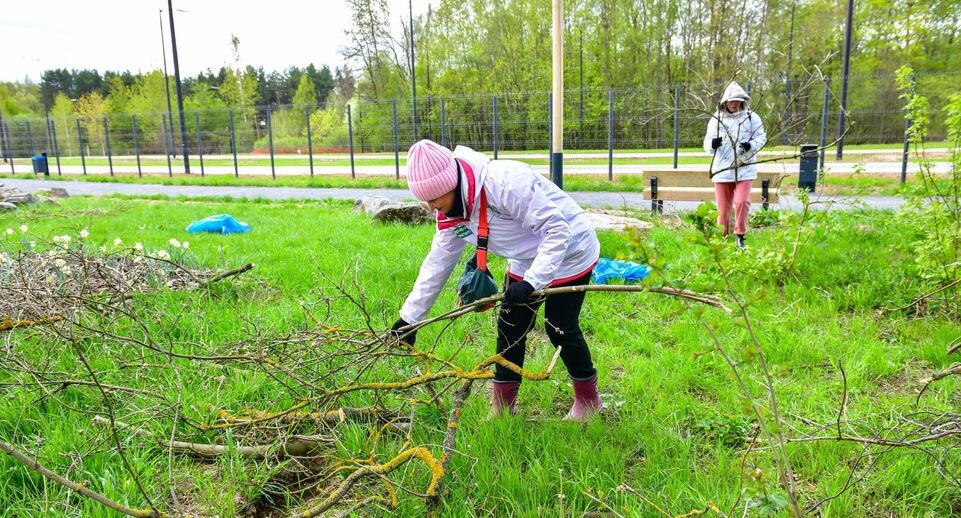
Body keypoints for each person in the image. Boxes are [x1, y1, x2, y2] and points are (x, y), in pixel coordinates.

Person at [389, 139, 603, 422]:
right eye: (425, 201)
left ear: (452, 184)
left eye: (434, 199)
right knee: (510, 327)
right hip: (526, 257)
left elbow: (557, 230)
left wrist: (533, 282)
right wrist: (410, 319)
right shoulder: (451, 212)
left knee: (559, 326)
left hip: (569, 249)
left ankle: (588, 401)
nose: (430, 208)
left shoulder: (506, 183)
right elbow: (437, 264)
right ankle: (503, 408)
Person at [703, 81, 767, 249]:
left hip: (744, 167)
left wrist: (750, 146)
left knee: (742, 202)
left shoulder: (752, 118)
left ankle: (740, 236)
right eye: (730, 100)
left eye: (737, 100)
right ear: (725, 101)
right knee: (723, 208)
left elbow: (761, 138)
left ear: (742, 101)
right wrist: (713, 144)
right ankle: (722, 237)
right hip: (722, 169)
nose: (733, 104)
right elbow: (707, 145)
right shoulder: (716, 119)